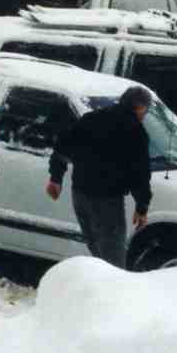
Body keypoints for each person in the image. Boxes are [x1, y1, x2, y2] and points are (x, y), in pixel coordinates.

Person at [44, 86, 153, 270]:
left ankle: (100, 287)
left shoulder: (91, 119)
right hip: (107, 202)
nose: (145, 115)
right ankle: (111, 294)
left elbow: (63, 146)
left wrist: (56, 178)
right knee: (112, 260)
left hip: (79, 195)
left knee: (97, 252)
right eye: (146, 111)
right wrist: (142, 206)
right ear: (140, 108)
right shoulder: (135, 132)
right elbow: (140, 174)